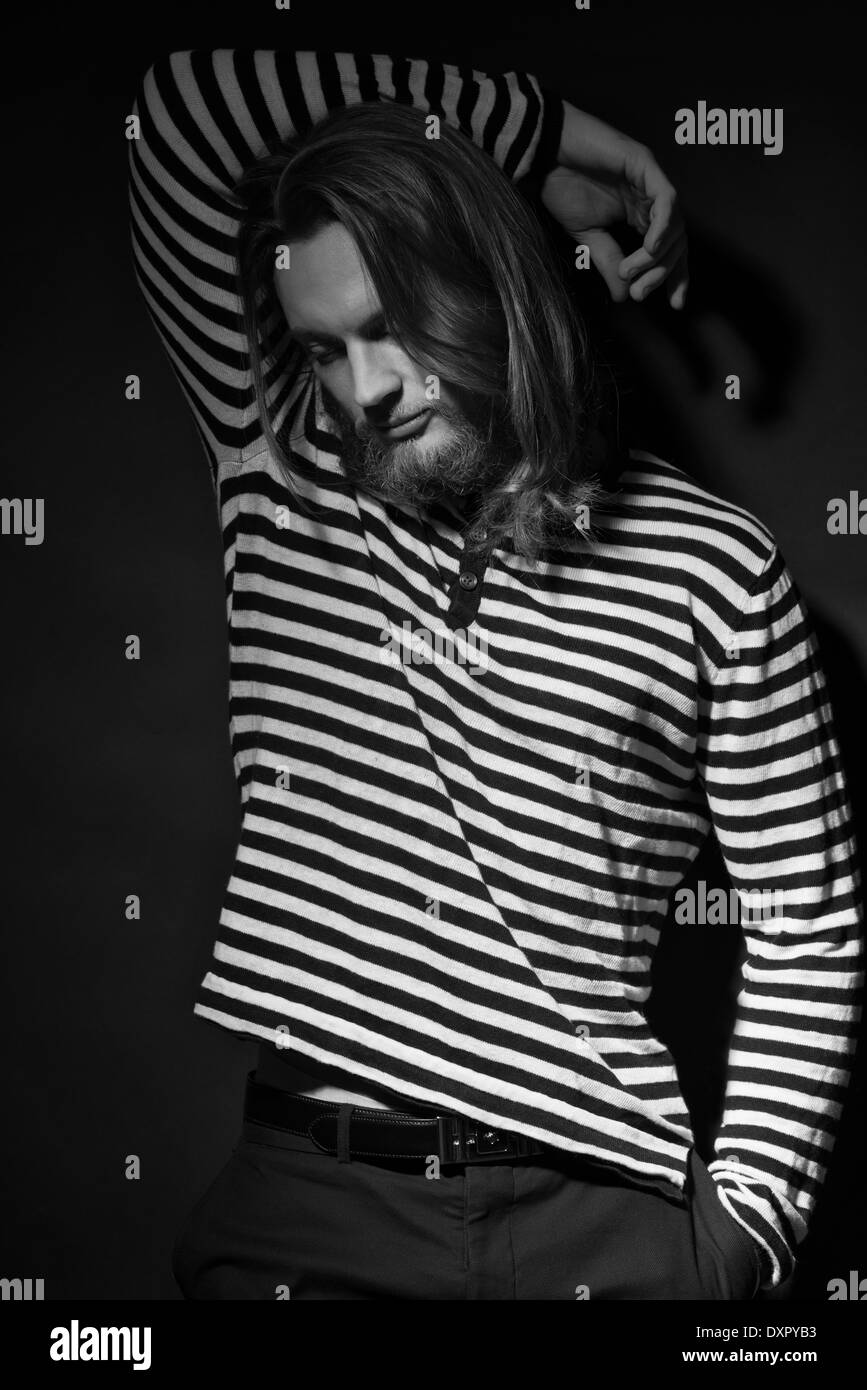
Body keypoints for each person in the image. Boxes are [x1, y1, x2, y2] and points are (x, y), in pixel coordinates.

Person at [128, 47, 862, 1301]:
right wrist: (552, 134)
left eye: (392, 327)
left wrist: (739, 1238)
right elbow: (186, 111)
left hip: (604, 1223)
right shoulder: (281, 460)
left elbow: (808, 917)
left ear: (495, 283)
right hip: (317, 1208)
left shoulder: (711, 566)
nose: (364, 390)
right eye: (325, 346)